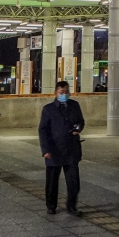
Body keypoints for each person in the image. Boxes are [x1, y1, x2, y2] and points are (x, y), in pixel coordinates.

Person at [39, 81, 85, 216]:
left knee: (73, 181)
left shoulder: (74, 105)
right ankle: (51, 206)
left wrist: (78, 129)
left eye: (66, 92)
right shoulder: (48, 109)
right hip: (54, 150)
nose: (64, 94)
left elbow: (81, 121)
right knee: (52, 181)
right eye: (61, 92)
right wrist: (45, 149)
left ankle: (72, 206)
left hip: (71, 148)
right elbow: (43, 130)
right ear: (56, 93)